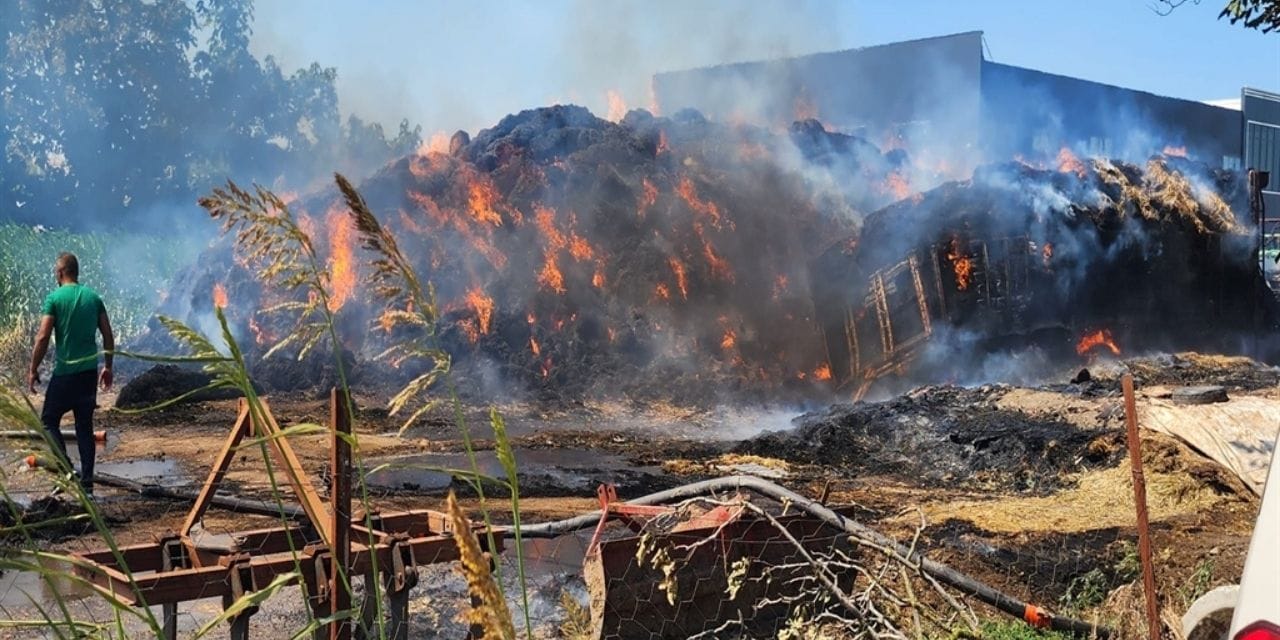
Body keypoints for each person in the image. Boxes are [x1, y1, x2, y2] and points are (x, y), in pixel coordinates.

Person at [27, 252, 113, 496]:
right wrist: (108, 366)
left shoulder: (54, 298)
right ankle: (87, 485)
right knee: (84, 427)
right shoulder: (93, 298)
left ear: (60, 273)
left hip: (65, 373)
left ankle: (65, 468)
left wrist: (33, 369)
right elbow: (108, 334)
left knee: (48, 421)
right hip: (88, 373)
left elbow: (43, 337)